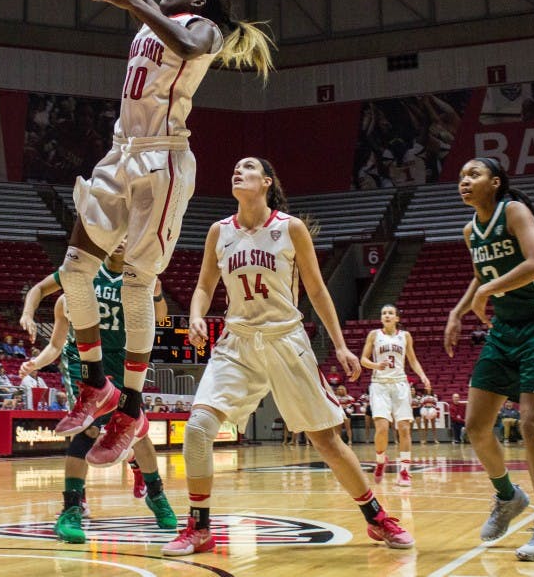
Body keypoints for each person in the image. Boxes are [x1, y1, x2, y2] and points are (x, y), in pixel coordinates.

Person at [52, 0, 275, 467]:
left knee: (136, 283)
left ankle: (130, 405)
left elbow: (185, 43)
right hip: (120, 152)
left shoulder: (201, 28)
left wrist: (138, 5)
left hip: (164, 160)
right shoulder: (167, 14)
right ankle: (96, 383)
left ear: (199, 0)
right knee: (75, 270)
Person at [161, 157, 412, 556]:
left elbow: (316, 289)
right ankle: (199, 526)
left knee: (325, 440)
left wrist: (341, 343)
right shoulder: (219, 232)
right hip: (237, 341)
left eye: (247, 167)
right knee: (197, 428)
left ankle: (376, 517)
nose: (237, 171)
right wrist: (193, 315)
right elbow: (205, 285)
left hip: (284, 338)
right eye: (235, 167)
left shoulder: (289, 229)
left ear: (266, 182)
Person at [444, 156, 534, 562]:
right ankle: (507, 496)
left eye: (474, 174)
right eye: (462, 175)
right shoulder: (469, 229)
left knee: (532, 423)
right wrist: (457, 311)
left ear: (495, 182)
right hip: (505, 331)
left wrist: (485, 291)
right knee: (476, 427)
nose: (465, 180)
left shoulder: (514, 210)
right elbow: (482, 275)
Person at [19, 241, 178, 544]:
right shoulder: (83, 274)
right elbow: (40, 294)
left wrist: (156, 288)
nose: (120, 242)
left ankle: (155, 493)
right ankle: (71, 508)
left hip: (124, 363)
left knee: (138, 432)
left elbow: (160, 317)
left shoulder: (138, 275)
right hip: (85, 363)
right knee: (87, 430)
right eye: (116, 235)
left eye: (127, 236)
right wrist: (28, 315)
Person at [360, 304, 431, 487]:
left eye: (390, 313)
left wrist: (423, 376)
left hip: (400, 384)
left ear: (397, 318)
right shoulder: (374, 335)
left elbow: (413, 360)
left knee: (404, 428)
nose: (387, 315)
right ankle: (381, 460)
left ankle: (405, 472)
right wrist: (376, 366)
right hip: (380, 385)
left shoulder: (405, 336)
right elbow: (363, 360)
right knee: (382, 428)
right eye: (384, 313)